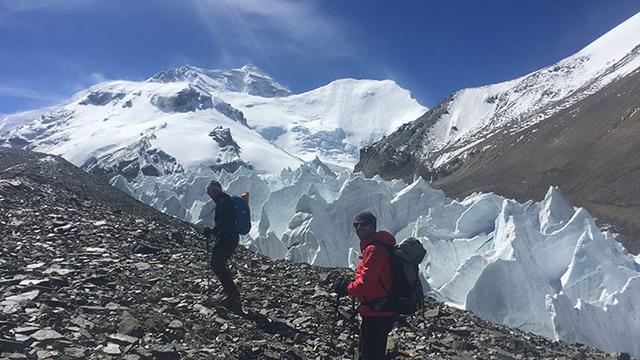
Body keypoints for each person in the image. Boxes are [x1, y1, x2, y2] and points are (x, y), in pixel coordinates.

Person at [333, 211, 396, 360]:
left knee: (370, 355)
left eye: (363, 224)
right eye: (356, 225)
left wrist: (347, 288)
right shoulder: (377, 247)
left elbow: (365, 285)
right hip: (380, 309)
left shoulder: (375, 250)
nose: (359, 228)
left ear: (372, 227)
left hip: (376, 313)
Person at [203, 180, 241, 309]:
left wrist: (212, 231)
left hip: (228, 238)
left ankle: (232, 294)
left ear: (215, 191)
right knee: (217, 263)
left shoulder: (224, 201)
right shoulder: (222, 201)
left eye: (210, 191)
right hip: (228, 238)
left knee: (216, 263)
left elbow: (226, 220)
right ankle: (231, 293)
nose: (209, 194)